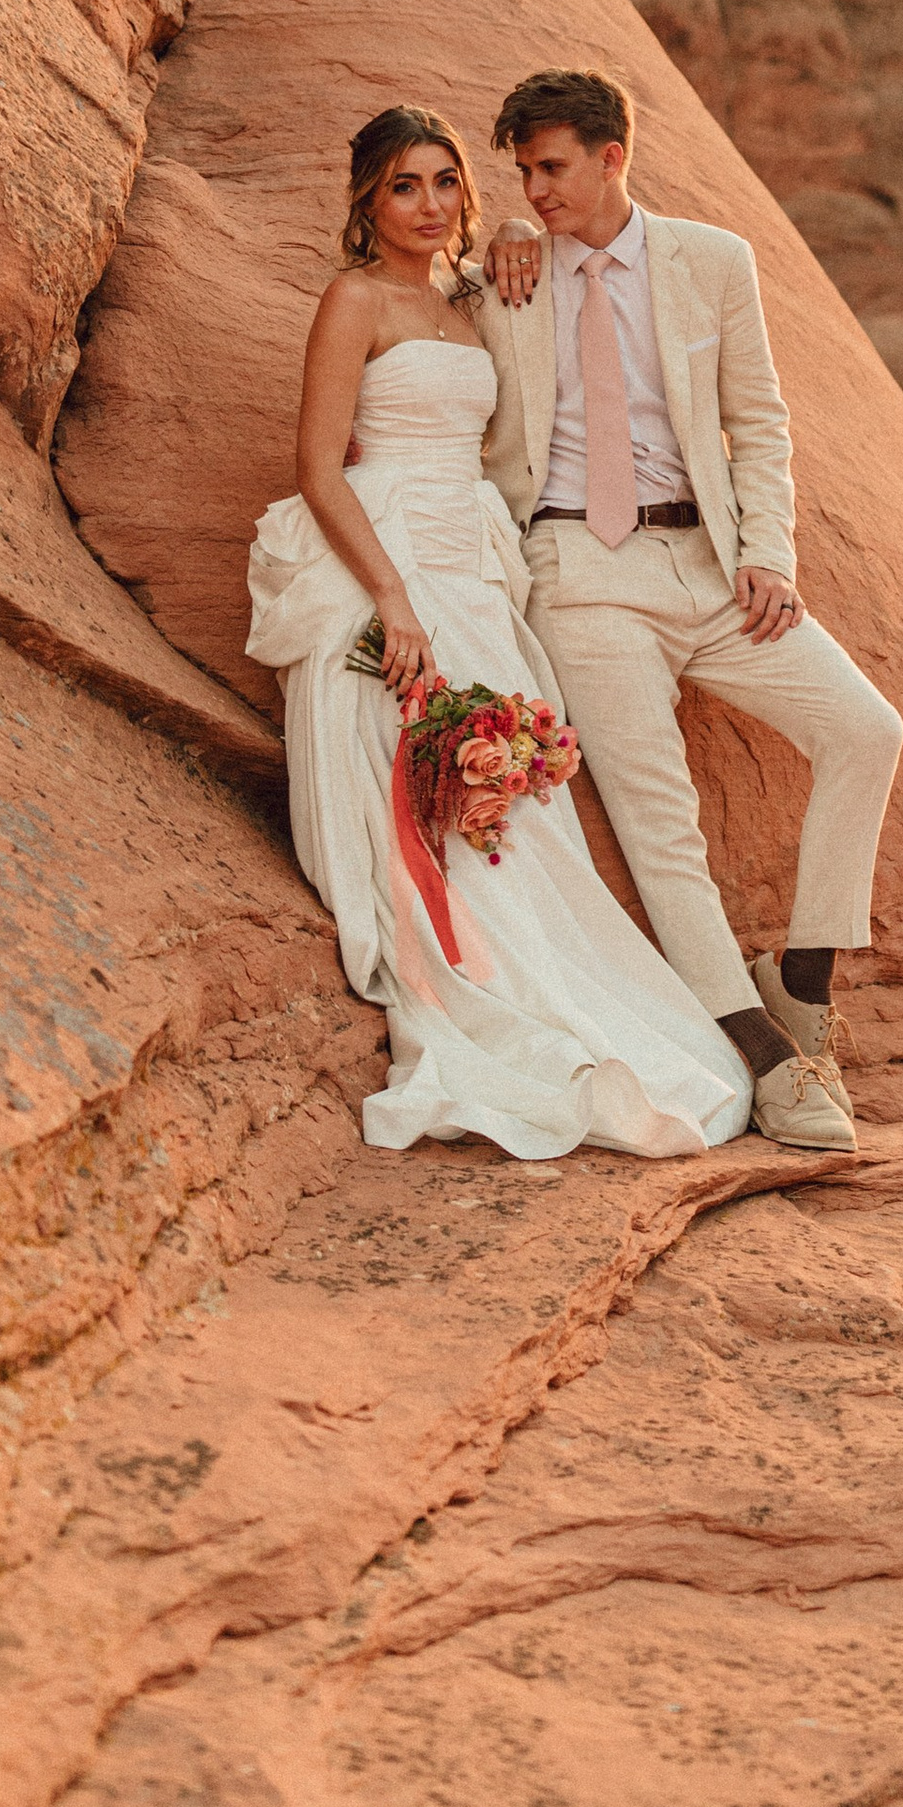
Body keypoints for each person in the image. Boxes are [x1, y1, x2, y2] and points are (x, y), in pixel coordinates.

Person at [246, 105, 755, 1162]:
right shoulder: (354, 301)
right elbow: (314, 468)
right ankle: (467, 982)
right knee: (416, 784)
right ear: (365, 201)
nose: (427, 205)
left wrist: (521, 238)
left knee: (510, 796)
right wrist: (390, 600)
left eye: (444, 183)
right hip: (384, 553)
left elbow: (550, 296)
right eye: (402, 186)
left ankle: (561, 986)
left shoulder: (475, 294)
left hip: (474, 567)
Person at [473, 68, 903, 1152]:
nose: (535, 187)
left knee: (865, 729)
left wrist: (767, 552)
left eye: (553, 166)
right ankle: (772, 1062)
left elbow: (758, 421)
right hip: (577, 563)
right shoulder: (506, 272)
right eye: (523, 170)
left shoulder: (713, 262)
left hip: (708, 566)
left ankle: (801, 981)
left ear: (614, 156)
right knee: (661, 826)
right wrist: (501, 240)